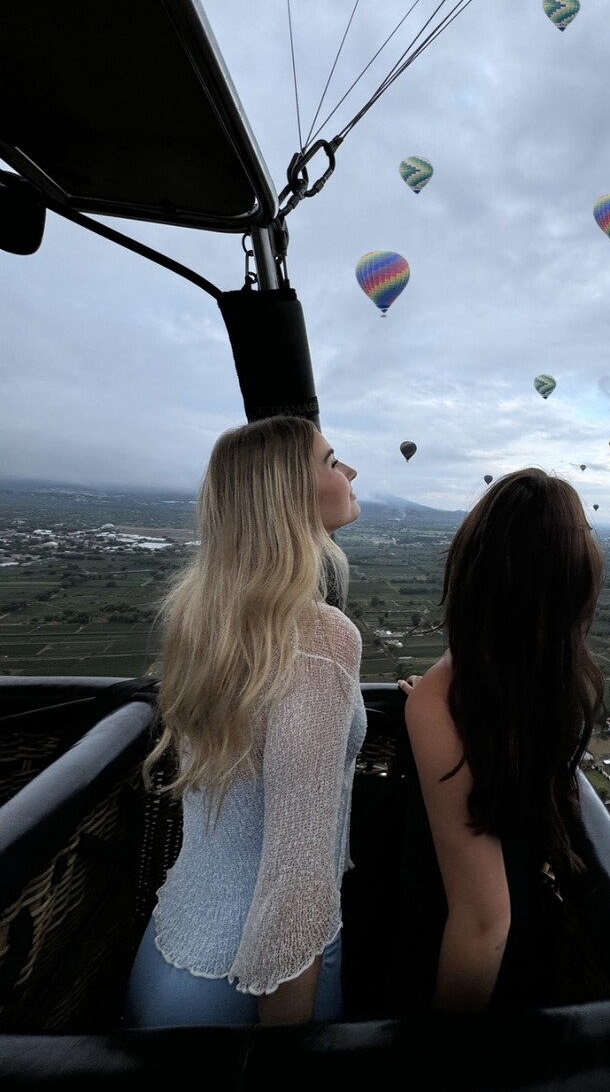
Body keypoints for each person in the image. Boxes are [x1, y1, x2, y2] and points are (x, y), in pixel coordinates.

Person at [124, 413, 365, 1027]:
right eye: (332, 461)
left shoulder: (207, 620)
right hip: (259, 979)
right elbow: (295, 878)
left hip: (169, 952)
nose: (350, 472)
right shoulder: (317, 639)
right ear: (290, 493)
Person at [397, 468, 606, 1014]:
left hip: (465, 958)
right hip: (531, 950)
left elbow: (483, 924)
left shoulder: (446, 700)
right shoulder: (553, 674)